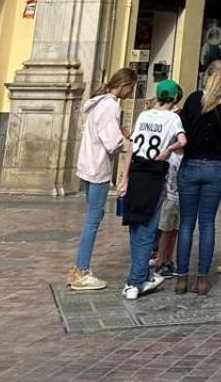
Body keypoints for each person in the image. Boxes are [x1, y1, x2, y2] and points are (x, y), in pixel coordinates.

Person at [175, 57, 221, 295]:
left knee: (185, 223)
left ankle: (181, 278)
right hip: (216, 166)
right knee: (207, 224)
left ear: (206, 75)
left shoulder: (194, 99)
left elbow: (180, 129)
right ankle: (202, 278)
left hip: (190, 163)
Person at [117, 78, 186, 300]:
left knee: (135, 226)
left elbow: (131, 148)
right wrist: (169, 149)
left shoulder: (144, 115)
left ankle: (141, 275)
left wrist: (124, 178)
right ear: (174, 97)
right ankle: (134, 281)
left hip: (137, 171)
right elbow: (183, 141)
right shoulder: (173, 118)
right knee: (148, 228)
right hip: (155, 174)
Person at [68, 67, 135, 291]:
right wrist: (125, 136)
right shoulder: (110, 106)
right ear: (124, 85)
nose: (130, 92)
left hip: (87, 164)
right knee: (93, 219)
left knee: (94, 215)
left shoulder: (97, 102)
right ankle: (81, 270)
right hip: (98, 167)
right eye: (131, 88)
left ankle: (81, 268)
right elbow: (111, 141)